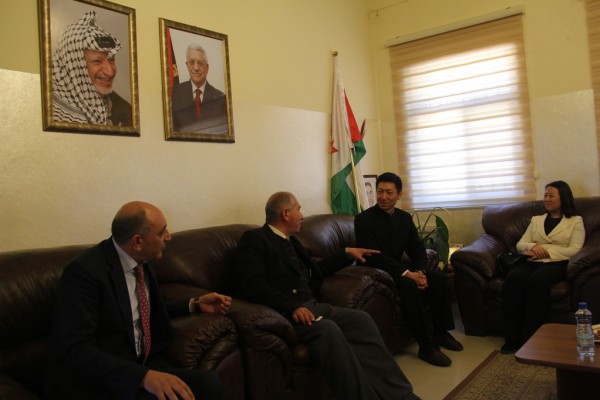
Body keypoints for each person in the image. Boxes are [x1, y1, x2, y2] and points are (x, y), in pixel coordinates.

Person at [234, 191, 421, 400]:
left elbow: (316, 271)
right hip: (286, 314)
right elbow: (253, 285)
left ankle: (401, 395)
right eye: (298, 210)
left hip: (313, 306)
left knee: (360, 320)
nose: (302, 216)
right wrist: (291, 306)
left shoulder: (291, 241)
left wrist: (346, 253)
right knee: (328, 329)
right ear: (285, 213)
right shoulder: (255, 240)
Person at [44, 201, 232, 400]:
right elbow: (76, 349)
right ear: (137, 242)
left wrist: (194, 304)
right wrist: (142, 377)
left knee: (208, 384)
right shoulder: (85, 273)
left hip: (142, 362)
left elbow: (143, 309)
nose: (168, 237)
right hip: (104, 376)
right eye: (161, 232)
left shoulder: (141, 260)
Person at [354, 172, 462, 367]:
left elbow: (417, 248)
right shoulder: (363, 220)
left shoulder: (404, 218)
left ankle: (441, 333)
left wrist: (420, 271)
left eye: (389, 192)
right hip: (378, 272)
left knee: (437, 277)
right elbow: (374, 256)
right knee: (409, 286)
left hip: (399, 268)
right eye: (380, 192)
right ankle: (426, 347)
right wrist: (408, 274)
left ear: (399, 194)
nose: (383, 197)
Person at [501, 181, 585, 354]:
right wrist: (533, 246)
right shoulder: (536, 220)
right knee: (513, 280)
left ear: (563, 198)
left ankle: (531, 339)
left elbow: (575, 249)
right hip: (531, 260)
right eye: (545, 195)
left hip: (557, 262)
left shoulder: (575, 221)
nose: (546, 199)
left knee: (536, 282)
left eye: (551, 195)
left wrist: (546, 252)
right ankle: (512, 339)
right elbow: (520, 244)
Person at [51, 10, 132, 126]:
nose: (109, 72)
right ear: (75, 65)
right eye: (97, 61)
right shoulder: (54, 112)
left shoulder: (123, 109)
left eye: (111, 60)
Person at [171, 43, 228, 134]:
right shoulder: (175, 92)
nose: (196, 68)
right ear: (187, 65)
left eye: (200, 63)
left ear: (207, 68)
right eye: (192, 62)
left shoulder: (220, 98)